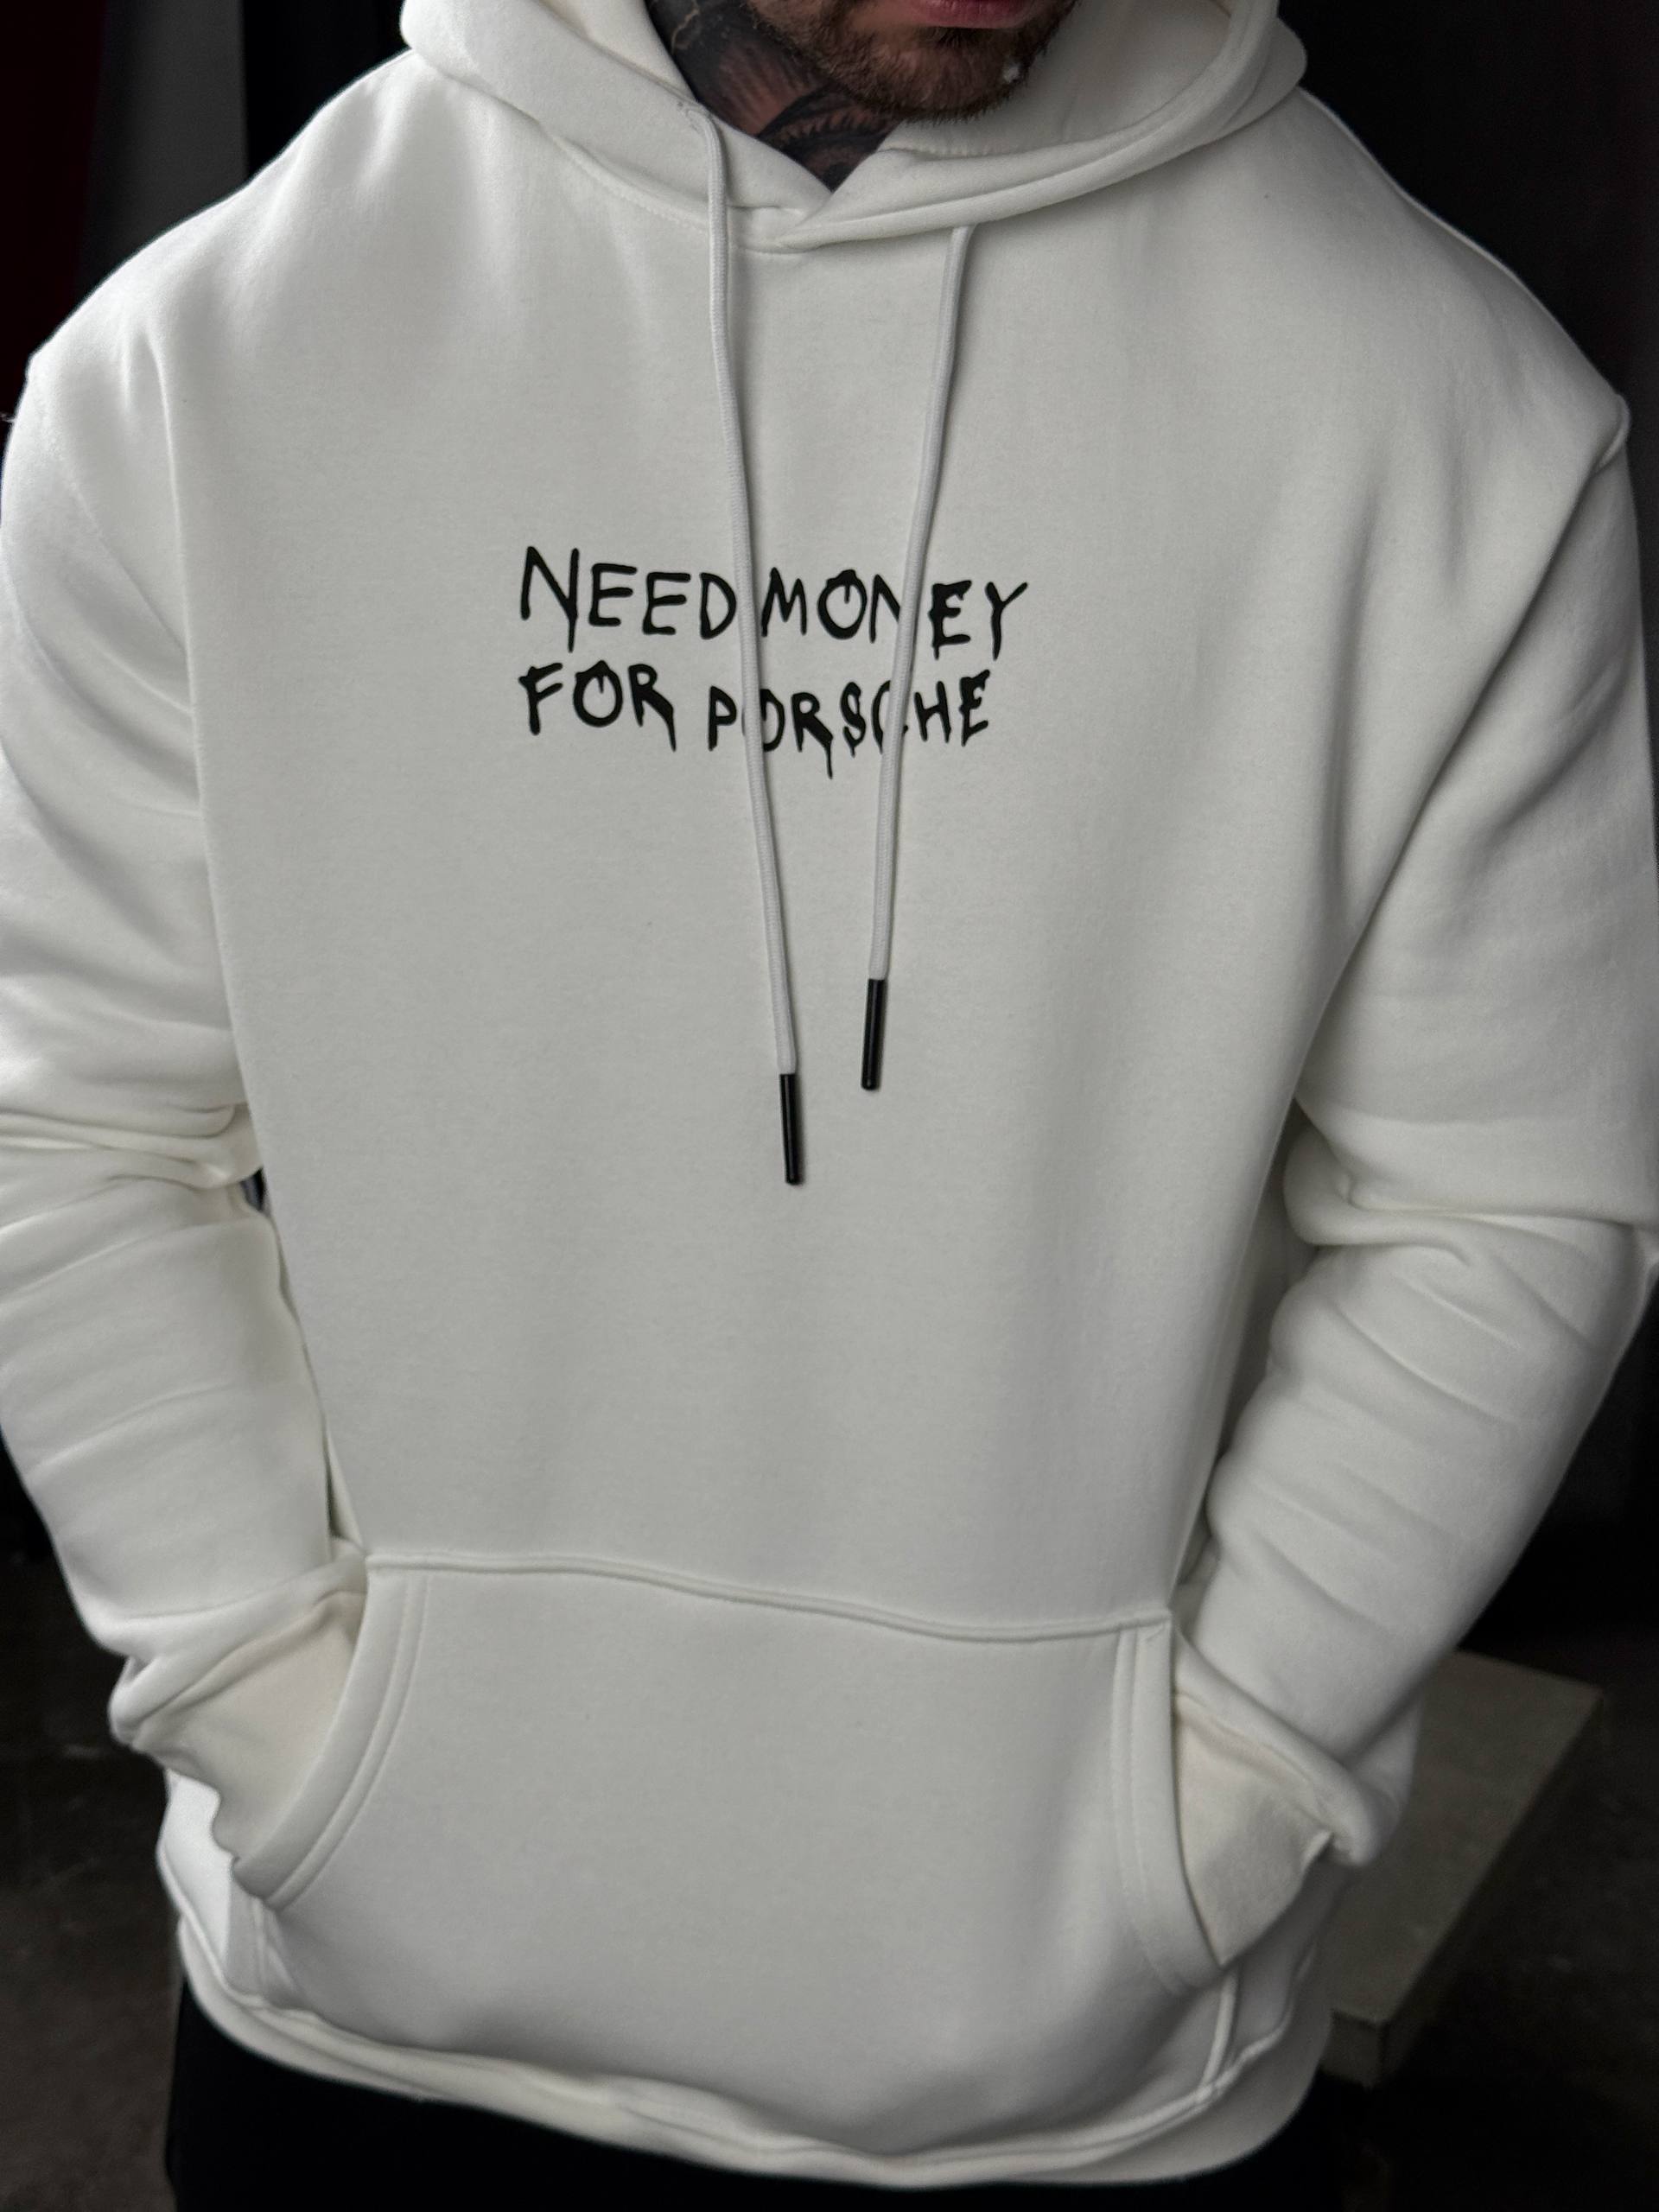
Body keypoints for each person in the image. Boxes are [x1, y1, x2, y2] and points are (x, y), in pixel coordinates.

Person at [1, 0, 1655, 2202]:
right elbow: (71, 1131)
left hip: (1099, 2097)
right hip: (358, 2028)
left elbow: (1503, 1203)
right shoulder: (199, 369)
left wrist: (1218, 1791)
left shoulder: (1444, 408)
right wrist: (284, 1722)